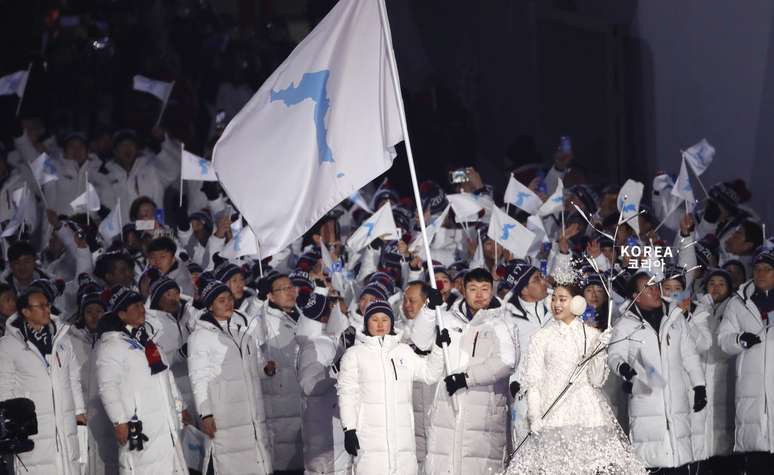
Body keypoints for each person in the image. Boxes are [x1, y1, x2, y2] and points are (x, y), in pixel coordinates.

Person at [503, 275, 646, 474]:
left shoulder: (592, 334)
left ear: (577, 302)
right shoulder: (541, 337)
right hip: (551, 413)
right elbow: (533, 381)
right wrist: (534, 415)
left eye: (562, 299)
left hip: (586, 412)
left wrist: (600, 348)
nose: (556, 304)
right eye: (554, 299)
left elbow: (596, 380)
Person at [607, 271, 707, 472]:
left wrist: (699, 387)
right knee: (653, 460)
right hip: (647, 399)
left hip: (677, 399)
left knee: (679, 460)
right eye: (648, 288)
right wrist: (624, 369)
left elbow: (689, 355)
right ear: (635, 294)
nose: (654, 291)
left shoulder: (675, 317)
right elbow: (614, 355)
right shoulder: (626, 323)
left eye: (655, 286)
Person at [423, 268, 517, 475]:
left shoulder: (503, 323)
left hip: (484, 412)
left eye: (485, 289)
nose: (480, 295)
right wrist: (429, 310)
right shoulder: (446, 318)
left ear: (492, 291)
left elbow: (507, 361)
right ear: (463, 290)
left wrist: (467, 378)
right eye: (473, 289)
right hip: (447, 409)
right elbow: (420, 341)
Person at [337, 300, 444, 474]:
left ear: (392, 323)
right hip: (370, 441)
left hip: (403, 443)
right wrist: (349, 428)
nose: (380, 324)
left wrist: (438, 347)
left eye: (385, 319)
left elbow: (429, 374)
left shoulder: (404, 352)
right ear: (366, 323)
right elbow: (347, 394)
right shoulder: (354, 355)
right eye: (374, 319)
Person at [95, 286, 187, 474]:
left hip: (165, 420)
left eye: (140, 304)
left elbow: (167, 376)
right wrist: (119, 420)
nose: (142, 309)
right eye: (134, 306)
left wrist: (180, 407)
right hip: (139, 423)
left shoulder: (147, 340)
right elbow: (107, 386)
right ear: (121, 314)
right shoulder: (111, 345)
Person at [188, 279, 272, 474]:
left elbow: (256, 365)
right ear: (210, 305)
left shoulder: (243, 330)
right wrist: (205, 414)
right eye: (221, 300)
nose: (228, 304)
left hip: (251, 411)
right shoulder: (200, 337)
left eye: (230, 299)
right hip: (225, 413)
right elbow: (198, 379)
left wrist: (266, 369)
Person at [0, 288, 85, 474]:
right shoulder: (7, 345)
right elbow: (4, 388)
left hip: (64, 422)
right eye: (41, 306)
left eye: (48, 305)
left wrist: (79, 410)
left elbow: (73, 376)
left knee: (69, 465)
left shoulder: (61, 339)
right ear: (26, 311)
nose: (47, 310)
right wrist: (11, 426)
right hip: (32, 427)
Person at [718, 249, 774, 474]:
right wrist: (739, 340)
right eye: (757, 269)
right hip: (751, 395)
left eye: (767, 269)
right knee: (757, 460)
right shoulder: (738, 303)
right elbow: (723, 340)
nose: (760, 274)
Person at [296, 292, 350, 474]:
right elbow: (309, 386)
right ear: (324, 317)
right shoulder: (313, 345)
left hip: (333, 425)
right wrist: (336, 367)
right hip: (323, 429)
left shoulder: (326, 341)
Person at [688, 269, 736, 473]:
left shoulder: (735, 310)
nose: (716, 288)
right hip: (698, 381)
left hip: (725, 379)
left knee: (722, 442)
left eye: (721, 284)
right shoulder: (696, 310)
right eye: (712, 283)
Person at [260, 273, 305, 472]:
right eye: (282, 289)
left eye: (290, 287)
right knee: (284, 461)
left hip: (301, 398)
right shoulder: (261, 322)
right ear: (270, 295)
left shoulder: (303, 316)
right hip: (279, 402)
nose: (289, 292)